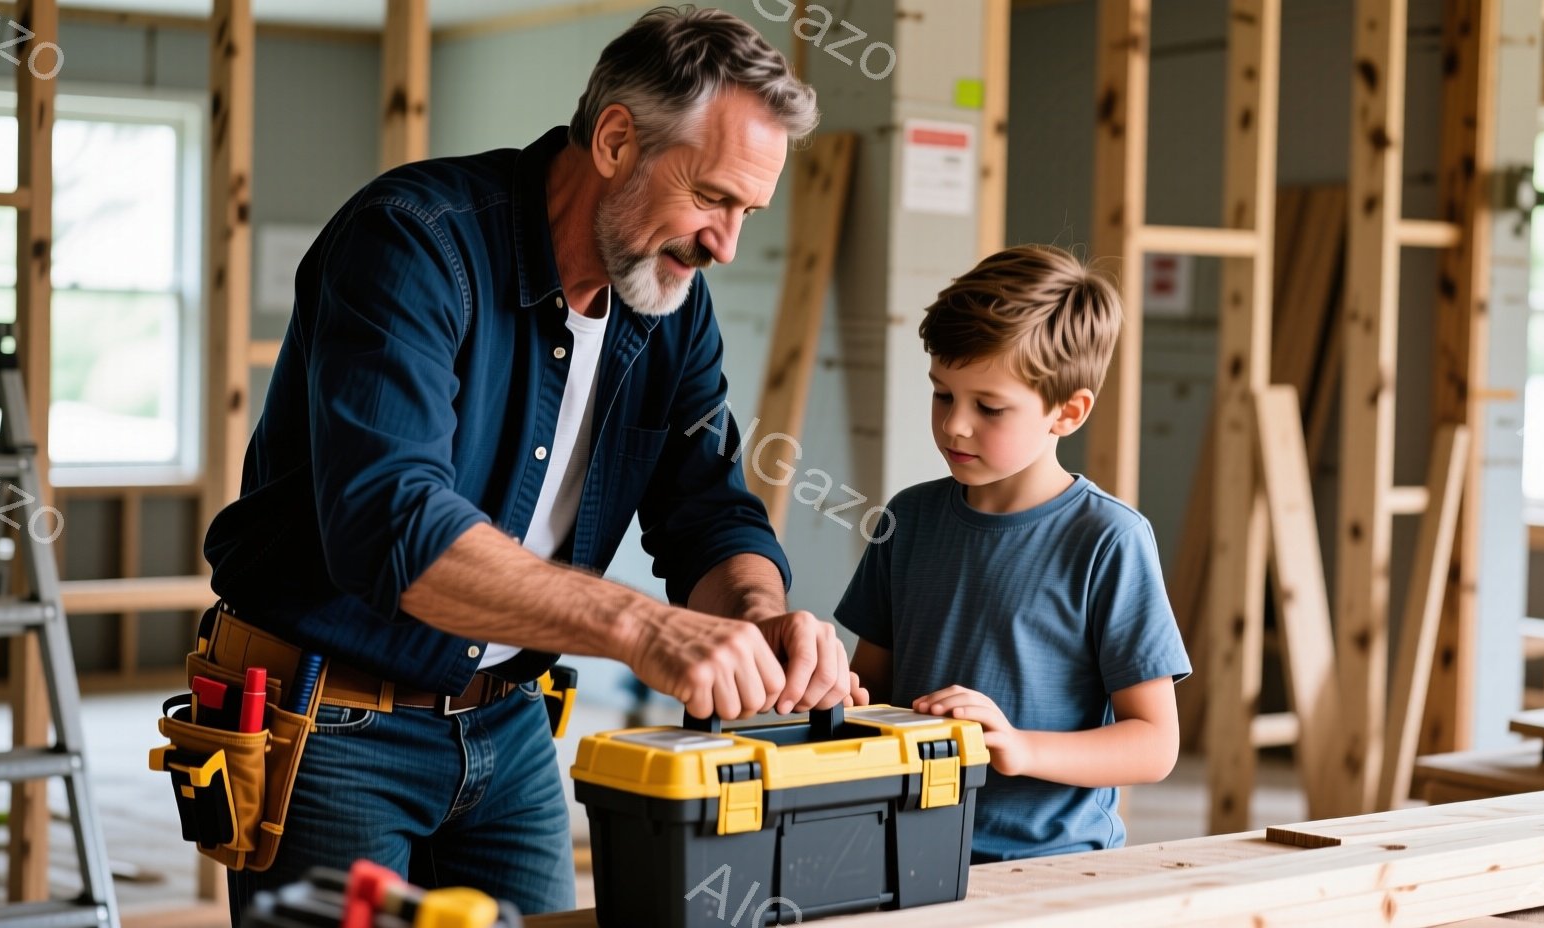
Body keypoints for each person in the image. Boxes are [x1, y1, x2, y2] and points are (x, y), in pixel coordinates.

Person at [201, 7, 854, 920]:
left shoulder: (670, 304)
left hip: (507, 726)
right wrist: (644, 630)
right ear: (617, 140)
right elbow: (395, 529)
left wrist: (759, 619)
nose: (725, 244)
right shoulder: (412, 243)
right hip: (332, 720)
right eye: (712, 197)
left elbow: (708, 510)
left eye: (748, 211)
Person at [836, 245, 1192, 862]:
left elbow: (1154, 744)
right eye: (943, 395)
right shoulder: (908, 518)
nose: (955, 426)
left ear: (1068, 412)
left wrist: (1021, 747)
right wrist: (835, 697)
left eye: (989, 407)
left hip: (1052, 864)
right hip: (908, 849)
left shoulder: (1109, 540)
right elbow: (872, 687)